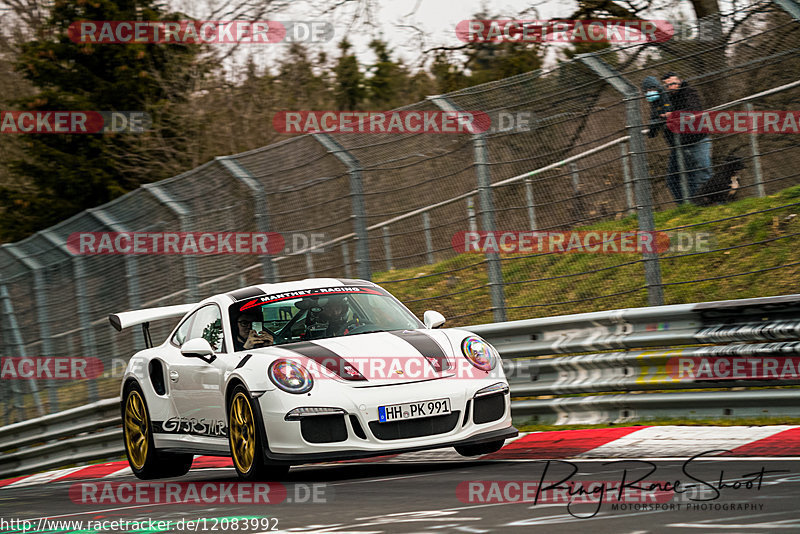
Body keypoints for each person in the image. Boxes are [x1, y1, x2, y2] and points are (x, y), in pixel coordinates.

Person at [660, 72, 713, 203]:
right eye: (668, 85)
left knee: (703, 173)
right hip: (678, 144)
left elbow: (693, 110)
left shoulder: (688, 92)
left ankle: (714, 202)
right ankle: (687, 206)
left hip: (697, 139)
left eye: (673, 83)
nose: (671, 87)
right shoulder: (664, 99)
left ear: (680, 81)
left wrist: (673, 115)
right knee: (674, 179)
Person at [642, 76, 679, 198]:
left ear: (657, 88)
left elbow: (666, 116)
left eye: (651, 89)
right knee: (672, 180)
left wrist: (657, 121)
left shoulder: (666, 97)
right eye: (646, 91)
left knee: (681, 177)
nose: (649, 93)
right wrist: (653, 126)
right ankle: (684, 205)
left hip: (681, 141)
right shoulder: (655, 102)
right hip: (673, 144)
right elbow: (655, 120)